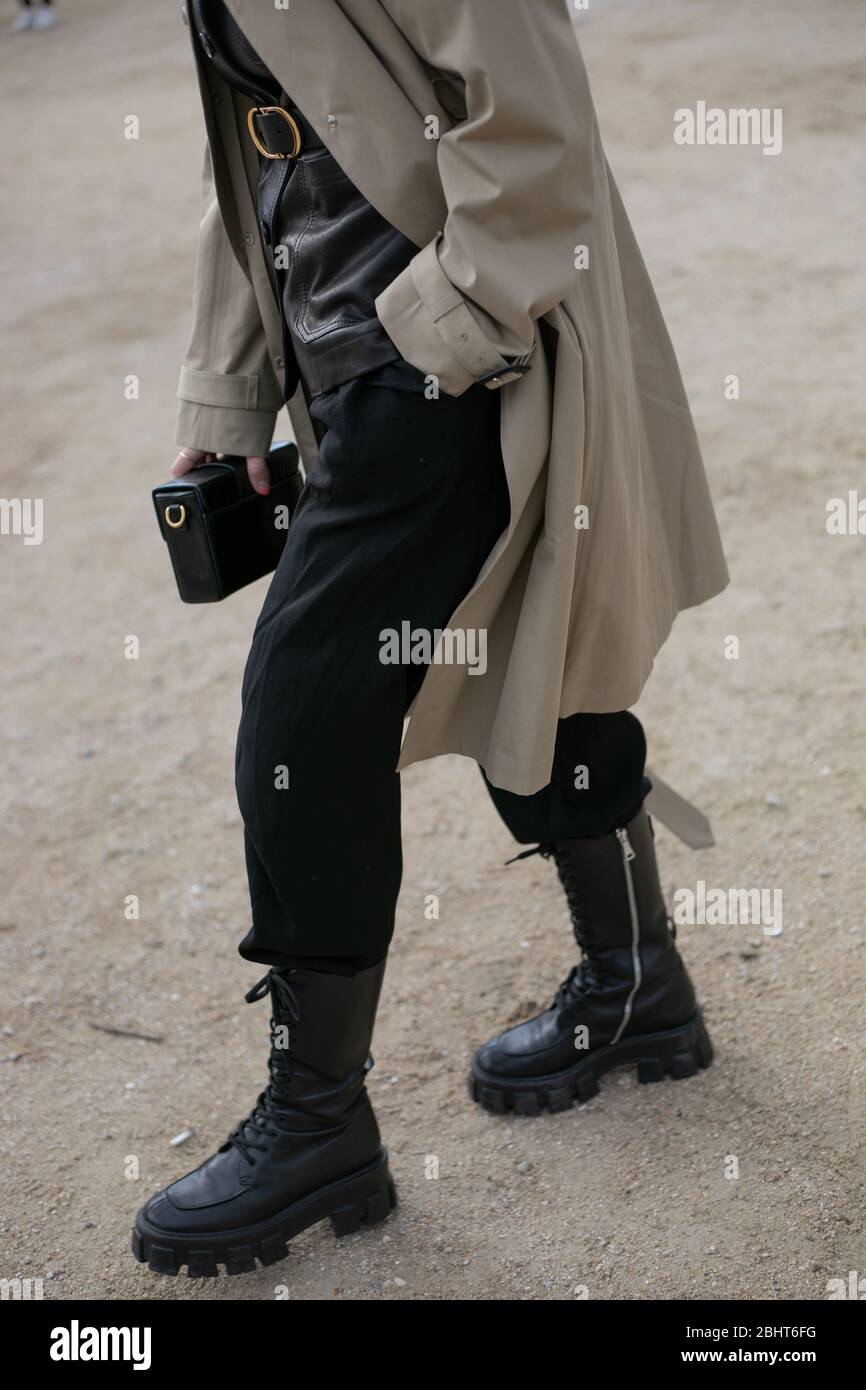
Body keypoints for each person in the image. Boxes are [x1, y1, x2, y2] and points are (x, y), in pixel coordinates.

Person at [132, 0, 728, 1277]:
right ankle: (637, 982)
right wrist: (232, 394)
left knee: (304, 712)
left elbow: (534, 121)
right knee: (528, 650)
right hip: (354, 362)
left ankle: (317, 1123)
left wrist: (442, 339)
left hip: (454, 355)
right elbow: (259, 142)